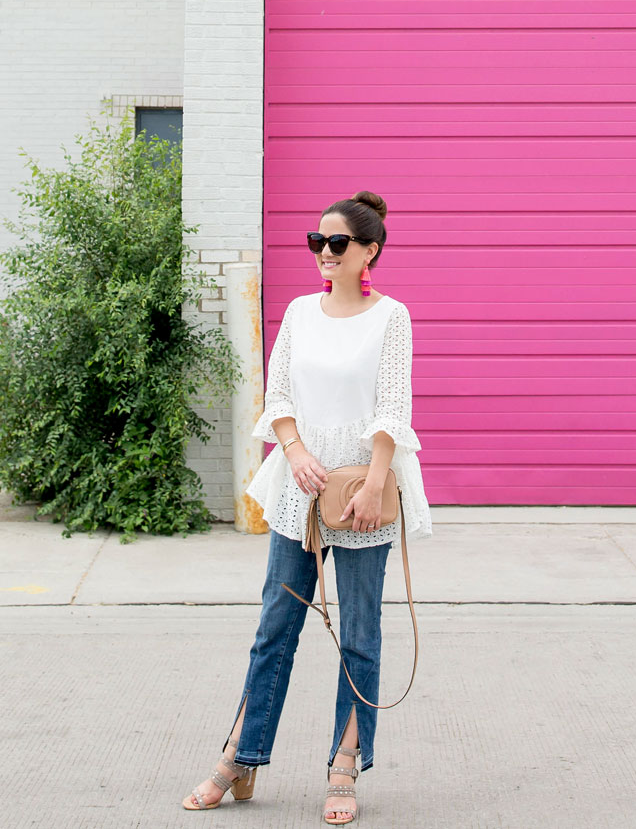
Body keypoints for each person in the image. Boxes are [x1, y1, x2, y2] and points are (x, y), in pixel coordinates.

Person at [182, 190, 432, 822]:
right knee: (275, 628)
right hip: (300, 490)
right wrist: (292, 452)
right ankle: (241, 756)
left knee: (360, 635)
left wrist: (377, 482)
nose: (324, 253)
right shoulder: (298, 311)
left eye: (337, 243)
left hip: (361, 494)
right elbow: (281, 392)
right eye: (316, 242)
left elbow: (393, 407)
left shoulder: (391, 317)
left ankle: (344, 765)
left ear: (369, 250)